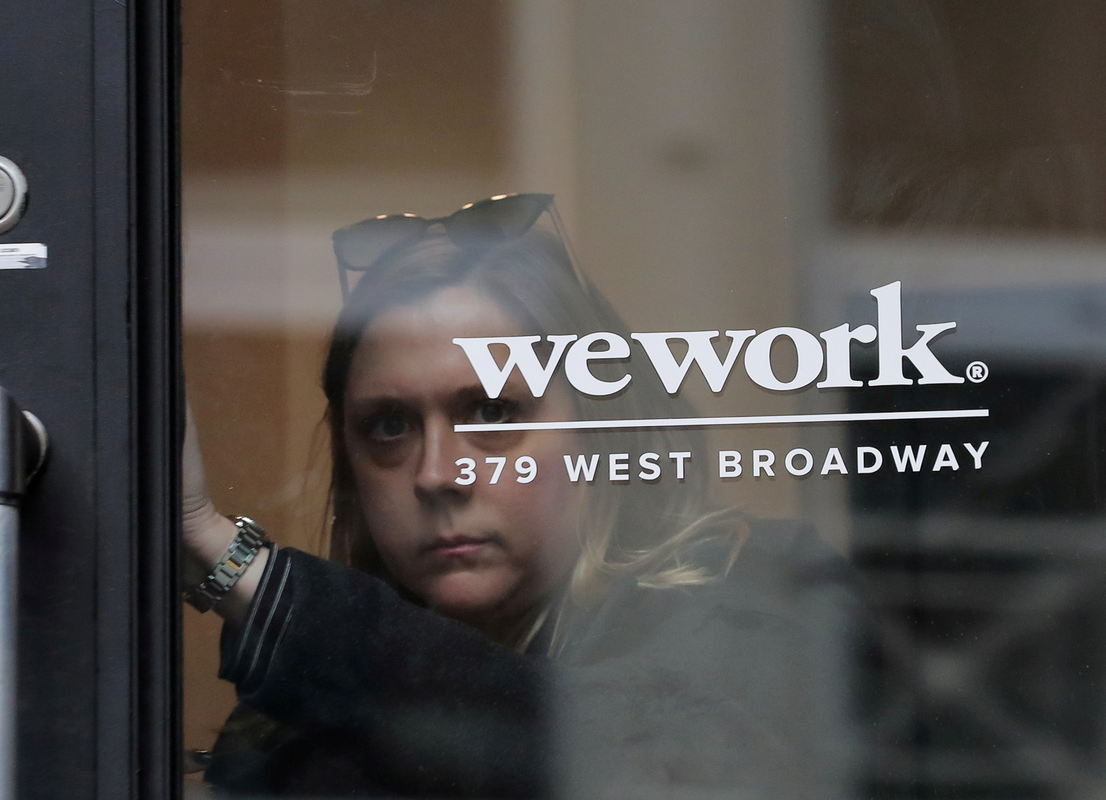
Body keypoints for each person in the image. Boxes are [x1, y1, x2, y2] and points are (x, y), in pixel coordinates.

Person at [182, 194, 867, 798]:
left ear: (601, 426)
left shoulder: (766, 590)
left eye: (492, 412)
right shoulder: (305, 711)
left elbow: (649, 761)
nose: (436, 475)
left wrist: (246, 572)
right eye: (389, 426)